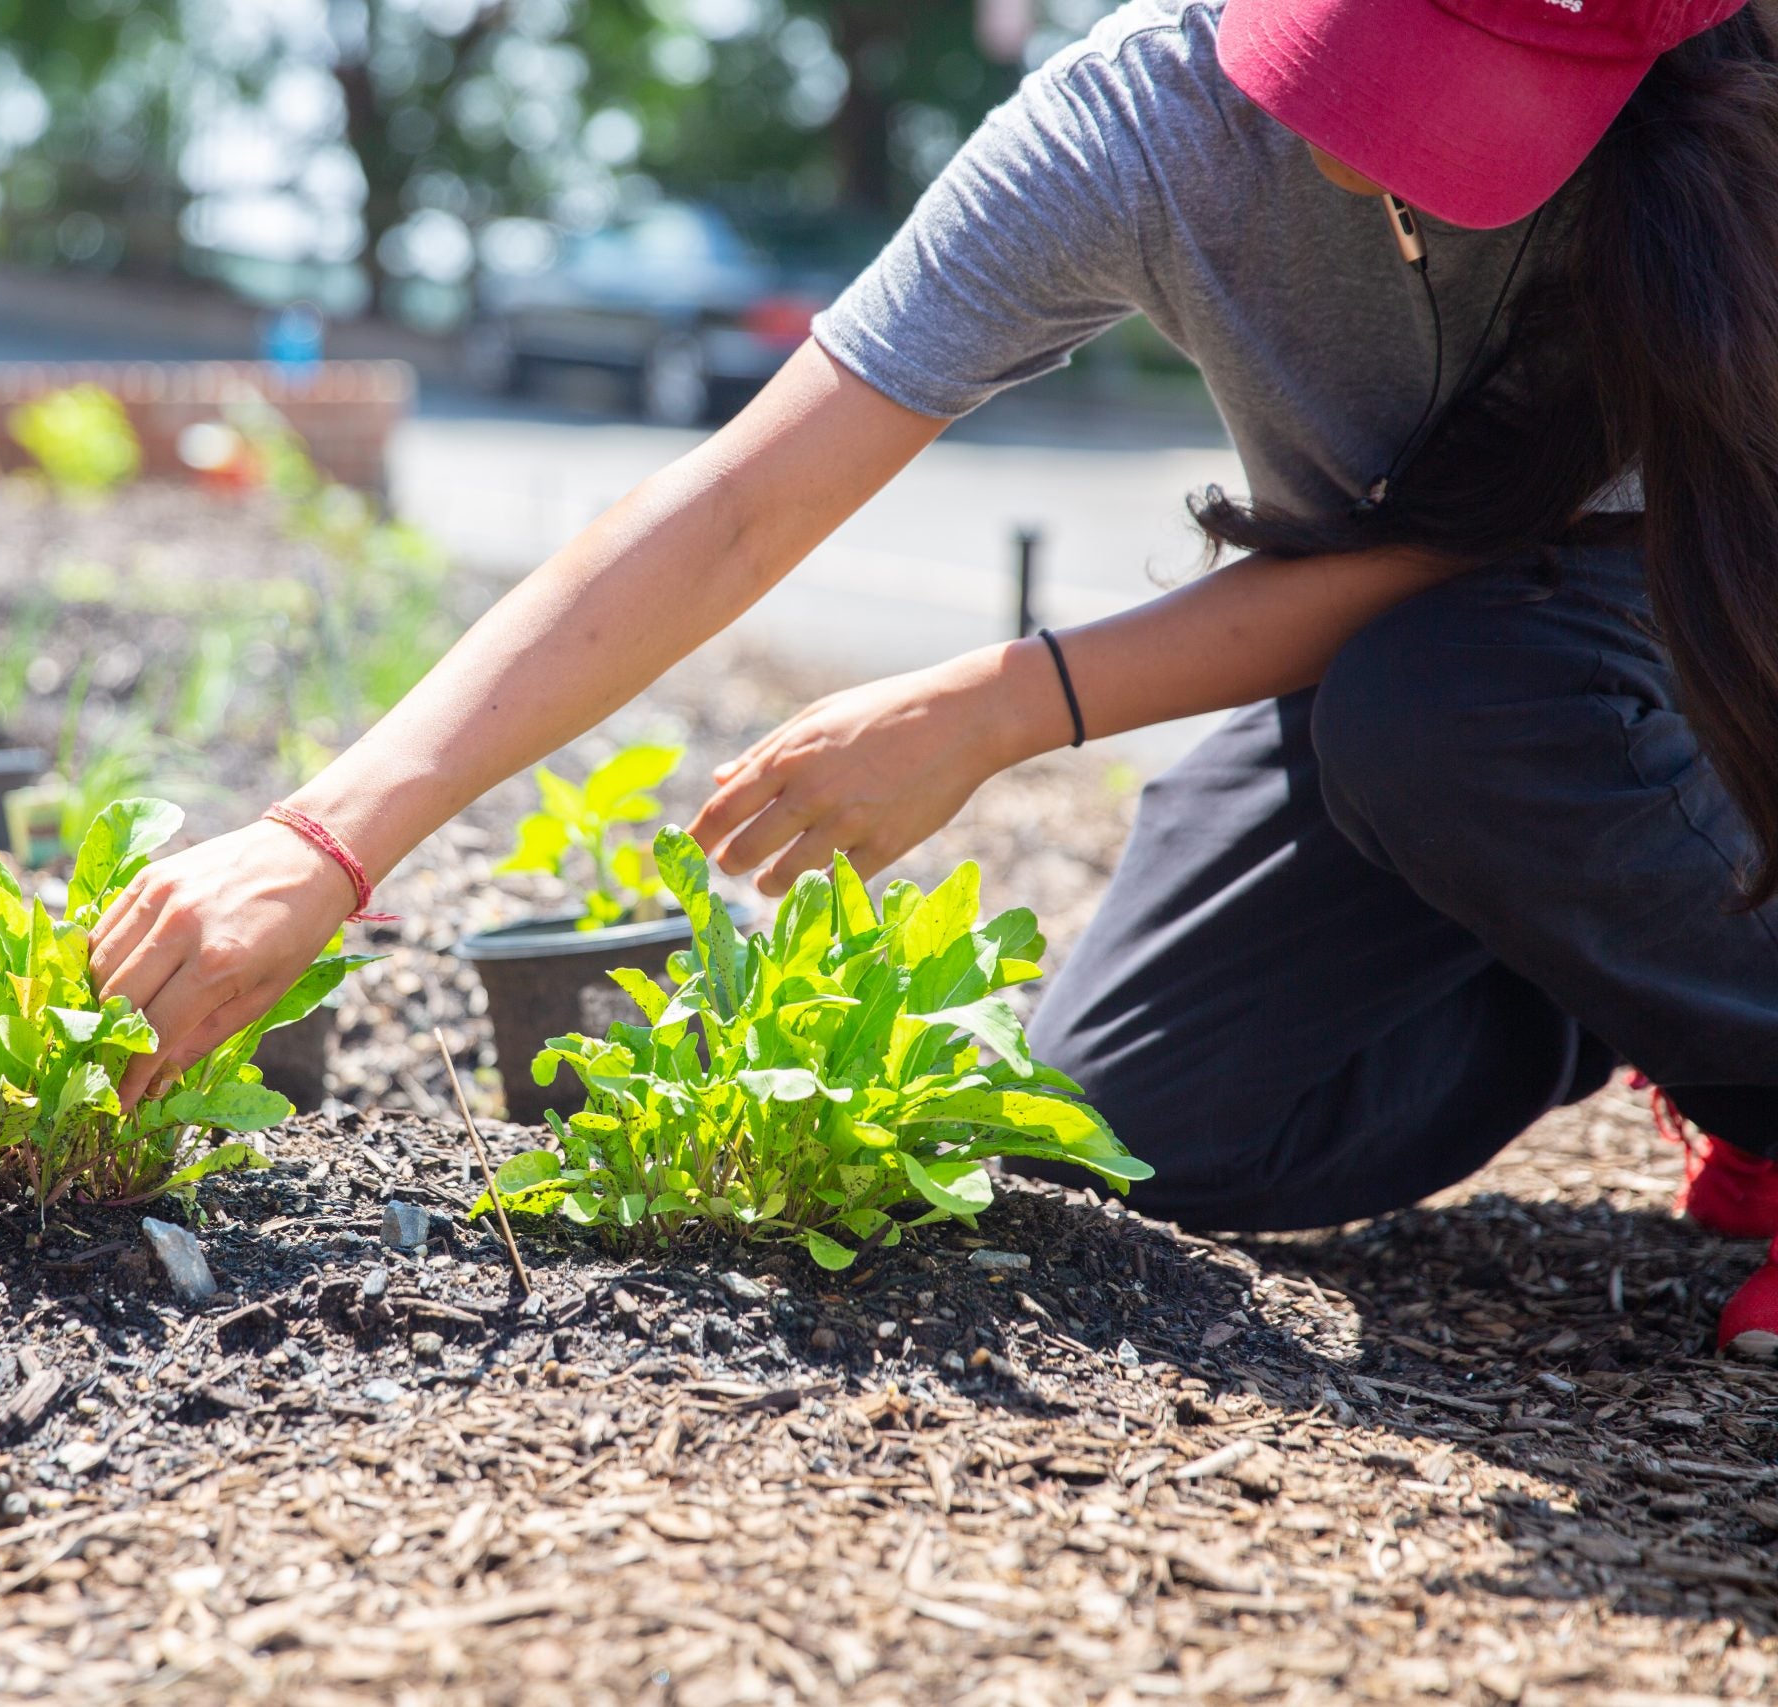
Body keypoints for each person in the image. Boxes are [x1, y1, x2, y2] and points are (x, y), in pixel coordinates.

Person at [92, 0, 1778, 1355]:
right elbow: (743, 500)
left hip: (1684, 640)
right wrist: (327, 840)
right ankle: (1639, 976)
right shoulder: (1149, 125)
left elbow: (1516, 562)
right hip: (1441, 697)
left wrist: (1005, 703)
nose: (1361, 124)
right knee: (1137, 1120)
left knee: (1454, 705)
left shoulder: (1731, 125)